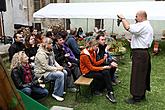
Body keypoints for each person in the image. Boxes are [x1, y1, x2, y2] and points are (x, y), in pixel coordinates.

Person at [117, 10, 153, 104]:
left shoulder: (143, 25)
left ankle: (136, 97)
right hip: (143, 52)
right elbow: (140, 37)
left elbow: (128, 27)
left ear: (141, 17)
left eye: (136, 16)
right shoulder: (146, 25)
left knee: (137, 75)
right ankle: (142, 94)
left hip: (140, 54)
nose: (135, 18)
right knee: (143, 74)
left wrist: (123, 18)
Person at [34, 37, 67, 102]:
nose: (52, 45)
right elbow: (45, 67)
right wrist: (57, 69)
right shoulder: (40, 54)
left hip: (49, 71)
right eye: (50, 43)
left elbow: (54, 61)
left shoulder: (50, 51)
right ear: (46, 45)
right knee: (60, 74)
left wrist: (60, 67)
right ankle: (56, 94)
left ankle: (60, 90)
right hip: (42, 73)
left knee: (64, 72)